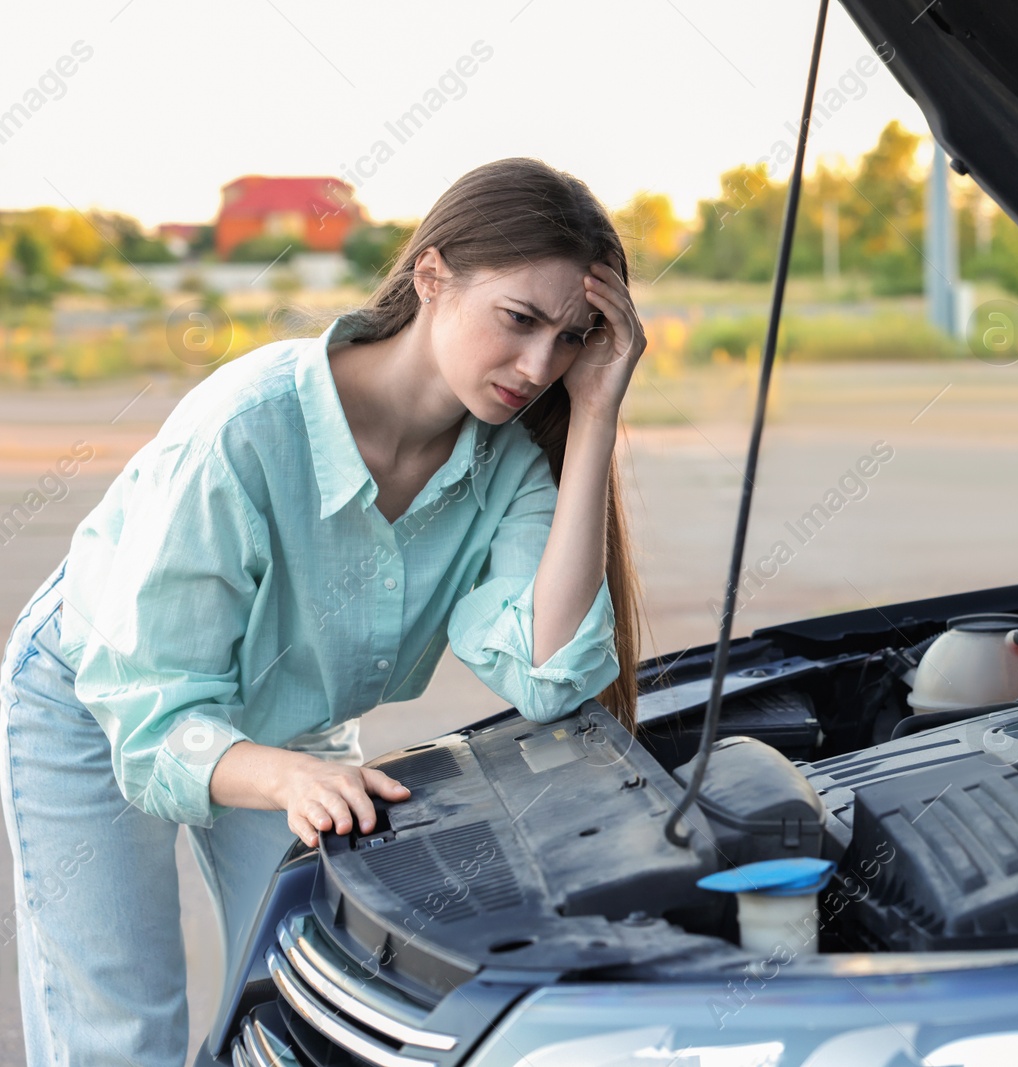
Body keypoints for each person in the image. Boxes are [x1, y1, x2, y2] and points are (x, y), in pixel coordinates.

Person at [0, 156, 649, 1065]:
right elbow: (152, 717)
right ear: (432, 275)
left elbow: (546, 675)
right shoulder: (246, 426)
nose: (540, 364)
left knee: (306, 996)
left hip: (292, 720)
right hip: (100, 692)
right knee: (124, 1032)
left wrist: (594, 418)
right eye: (520, 319)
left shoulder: (508, 464)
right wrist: (288, 779)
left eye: (574, 337)